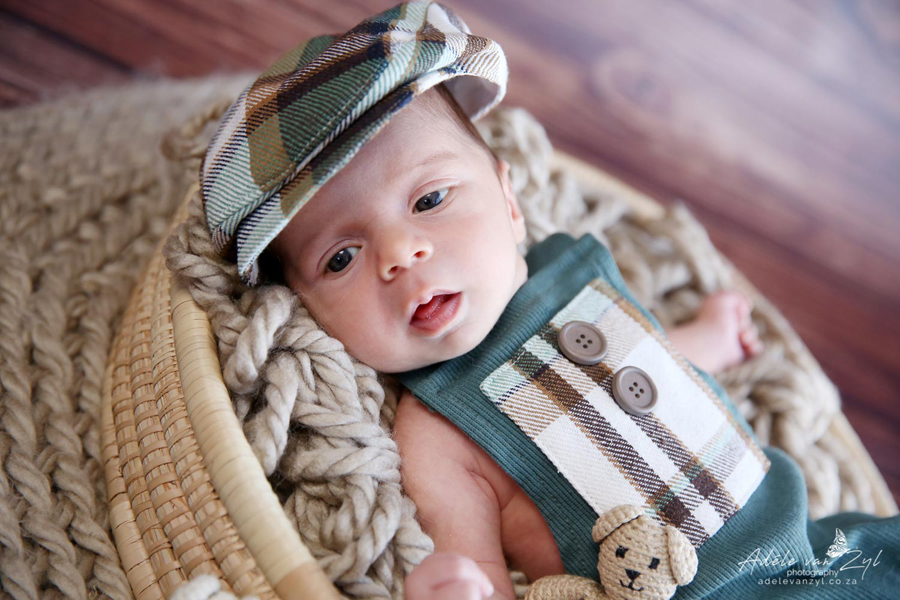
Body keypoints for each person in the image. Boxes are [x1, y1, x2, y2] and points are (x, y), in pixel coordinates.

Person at [199, 3, 899, 599]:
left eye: (430, 200)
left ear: (510, 203)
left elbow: (651, 370)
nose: (399, 254)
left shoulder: (577, 278)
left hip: (818, 556)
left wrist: (708, 338)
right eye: (341, 258)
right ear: (306, 307)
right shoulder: (436, 430)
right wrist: (456, 585)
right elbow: (474, 564)